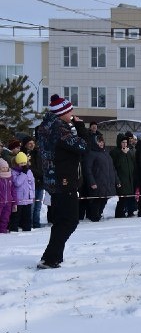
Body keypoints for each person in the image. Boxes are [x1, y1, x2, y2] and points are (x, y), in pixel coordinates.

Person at [35, 94, 90, 269]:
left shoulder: (45, 127)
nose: (73, 113)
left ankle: (54, 256)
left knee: (60, 221)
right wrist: (80, 127)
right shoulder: (59, 129)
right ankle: (50, 258)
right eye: (70, 110)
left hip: (53, 180)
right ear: (62, 112)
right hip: (64, 180)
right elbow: (83, 146)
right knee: (70, 221)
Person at [81, 135, 119, 222]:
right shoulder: (91, 153)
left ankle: (98, 215)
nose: (101, 143)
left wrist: (117, 180)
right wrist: (92, 182)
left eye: (102, 141)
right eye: (99, 141)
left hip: (106, 182)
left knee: (104, 199)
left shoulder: (106, 153)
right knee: (96, 201)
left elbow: (112, 169)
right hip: (97, 182)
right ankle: (94, 217)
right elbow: (87, 169)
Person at [110, 134, 137, 218]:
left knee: (130, 197)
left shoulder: (130, 151)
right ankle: (119, 214)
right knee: (122, 198)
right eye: (123, 142)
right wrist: (122, 154)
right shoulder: (114, 152)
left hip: (130, 178)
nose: (125, 144)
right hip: (121, 178)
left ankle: (130, 212)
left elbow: (133, 163)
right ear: (119, 142)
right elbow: (115, 166)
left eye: (126, 142)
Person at [9, 152, 35, 232]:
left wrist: (33, 195)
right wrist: (23, 173)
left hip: (28, 198)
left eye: (24, 162)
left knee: (27, 216)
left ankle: (27, 230)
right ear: (17, 163)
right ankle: (13, 230)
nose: (23, 165)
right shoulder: (13, 172)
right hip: (19, 199)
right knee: (16, 216)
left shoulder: (29, 171)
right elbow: (17, 183)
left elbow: (32, 183)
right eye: (21, 163)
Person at [22, 137, 44, 228]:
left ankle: (36, 223)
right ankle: (29, 223)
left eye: (33, 143)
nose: (32, 145)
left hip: (40, 182)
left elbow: (42, 166)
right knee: (31, 205)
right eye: (30, 143)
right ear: (25, 144)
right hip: (30, 183)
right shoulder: (23, 154)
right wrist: (40, 174)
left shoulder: (38, 153)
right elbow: (28, 168)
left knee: (38, 206)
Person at [0, 159, 16, 233]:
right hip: (1, 201)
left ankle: (3, 230)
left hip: (8, 202)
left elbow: (13, 190)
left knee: (6, 217)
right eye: (3, 167)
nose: (5, 169)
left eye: (6, 167)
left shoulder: (10, 177)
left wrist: (14, 202)